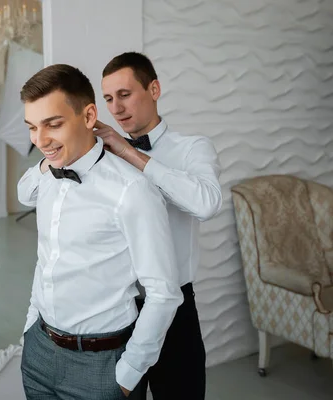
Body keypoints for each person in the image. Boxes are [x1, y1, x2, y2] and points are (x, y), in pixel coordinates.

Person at [17, 64, 183, 399]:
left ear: (89, 115)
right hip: (39, 353)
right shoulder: (46, 177)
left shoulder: (132, 190)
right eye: (33, 127)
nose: (39, 139)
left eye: (53, 124)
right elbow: (46, 260)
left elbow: (164, 293)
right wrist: (29, 331)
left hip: (103, 365)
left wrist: (126, 375)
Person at [96, 51, 223, 400]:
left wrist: (129, 153)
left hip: (175, 310)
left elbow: (207, 204)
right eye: (108, 99)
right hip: (115, 309)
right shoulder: (100, 155)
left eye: (124, 94)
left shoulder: (192, 148)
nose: (116, 108)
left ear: (154, 89)